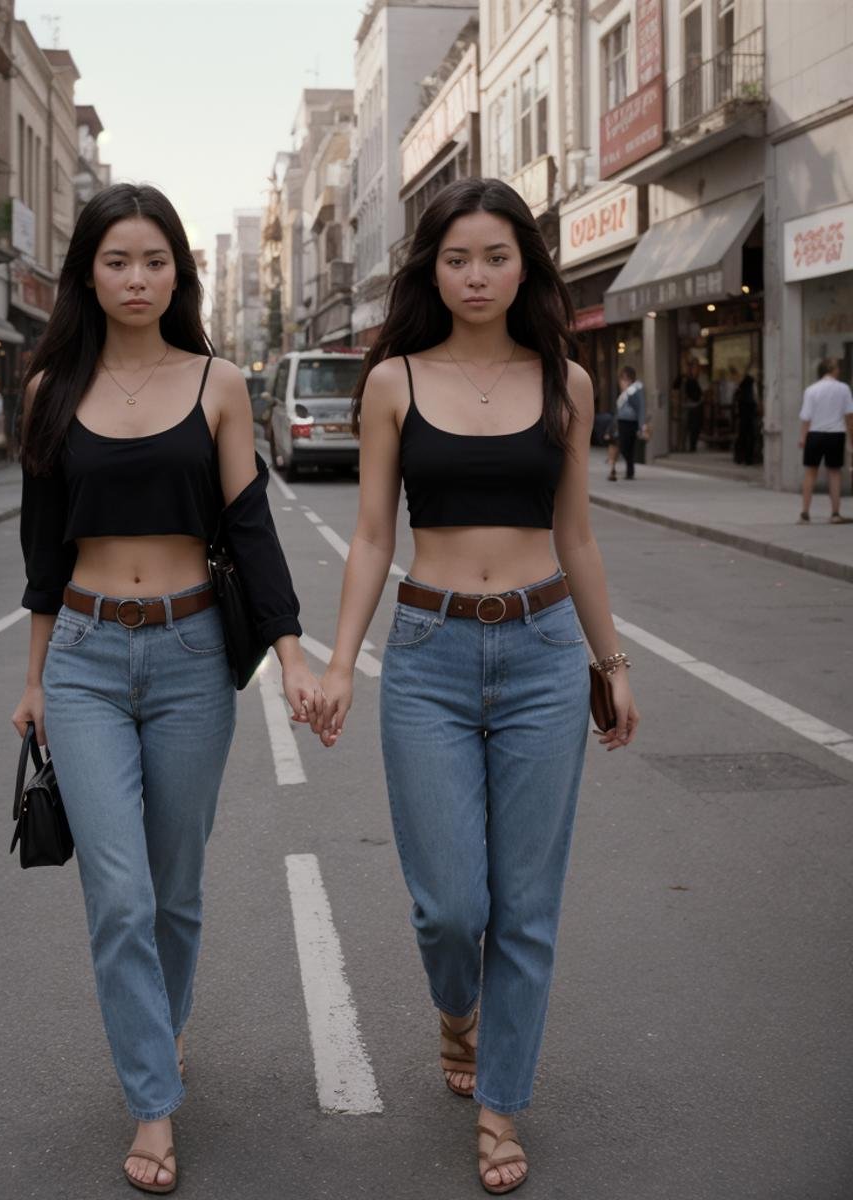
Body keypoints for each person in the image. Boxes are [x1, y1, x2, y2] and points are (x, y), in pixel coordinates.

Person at [312, 178, 639, 1195]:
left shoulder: (567, 383)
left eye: (497, 256)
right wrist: (338, 661)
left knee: (527, 904)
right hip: (430, 654)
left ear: (526, 264)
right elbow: (372, 537)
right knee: (451, 907)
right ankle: (457, 1006)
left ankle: (500, 1106)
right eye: (457, 259)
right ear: (432, 271)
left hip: (543, 652)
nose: (477, 275)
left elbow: (577, 533)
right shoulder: (395, 382)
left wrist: (611, 661)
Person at [10, 182, 322, 1195]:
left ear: (179, 271)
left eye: (155, 261)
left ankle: (161, 1031)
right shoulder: (50, 388)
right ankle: (153, 1102)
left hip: (192, 659)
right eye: (116, 261)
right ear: (86, 274)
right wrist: (34, 681)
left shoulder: (219, 382)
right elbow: (41, 553)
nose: (137, 279)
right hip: (89, 661)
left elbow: (249, 530)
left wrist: (291, 653)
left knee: (176, 889)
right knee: (120, 893)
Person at [798, 357, 853, 524]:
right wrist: (851, 439)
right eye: (837, 367)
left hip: (815, 434)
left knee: (810, 472)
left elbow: (806, 417)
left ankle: (805, 513)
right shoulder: (843, 388)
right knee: (834, 473)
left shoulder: (811, 390)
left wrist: (803, 437)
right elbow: (849, 416)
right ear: (832, 369)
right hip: (836, 434)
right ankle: (835, 513)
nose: (839, 370)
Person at [607, 365, 648, 481]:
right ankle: (629, 470)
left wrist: (642, 425)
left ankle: (630, 470)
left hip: (631, 422)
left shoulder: (636, 389)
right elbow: (618, 412)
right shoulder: (624, 393)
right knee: (624, 446)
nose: (623, 382)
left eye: (625, 378)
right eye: (622, 379)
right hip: (622, 422)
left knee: (628, 447)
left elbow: (641, 408)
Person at [733, 367, 759, 466]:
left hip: (743, 411)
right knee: (750, 435)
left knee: (742, 435)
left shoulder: (742, 384)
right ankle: (749, 459)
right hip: (750, 410)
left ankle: (740, 457)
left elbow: (736, 396)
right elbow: (755, 397)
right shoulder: (751, 383)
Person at [682, 357, 703, 451]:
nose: (696, 369)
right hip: (692, 406)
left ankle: (692, 446)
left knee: (695, 427)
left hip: (696, 405)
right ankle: (690, 446)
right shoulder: (689, 380)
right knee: (692, 427)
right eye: (694, 367)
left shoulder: (696, 380)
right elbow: (690, 394)